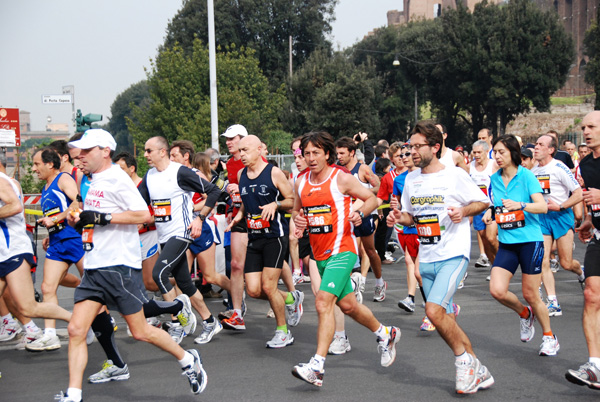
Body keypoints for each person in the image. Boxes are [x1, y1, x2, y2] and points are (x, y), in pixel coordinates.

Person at [57, 129, 206, 402]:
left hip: (118, 267)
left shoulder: (116, 177)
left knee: (141, 332)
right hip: (94, 267)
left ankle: (187, 359)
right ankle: (74, 394)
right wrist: (81, 220)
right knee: (76, 329)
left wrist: (101, 218)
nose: (80, 156)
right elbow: (96, 218)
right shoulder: (91, 180)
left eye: (87, 151)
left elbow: (144, 213)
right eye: (79, 151)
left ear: (105, 151)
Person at [388, 122, 493, 394]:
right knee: (443, 317)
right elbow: (412, 216)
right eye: (409, 146)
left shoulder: (455, 175)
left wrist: (464, 210)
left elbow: (483, 202)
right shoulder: (411, 179)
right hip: (428, 256)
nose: (410, 152)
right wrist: (399, 217)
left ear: (434, 148)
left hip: (453, 254)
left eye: (416, 146)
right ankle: (477, 369)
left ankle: (463, 364)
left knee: (433, 311)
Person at [291, 131, 400, 387]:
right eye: (306, 153)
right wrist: (299, 221)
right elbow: (297, 211)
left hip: (343, 249)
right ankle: (386, 334)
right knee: (349, 306)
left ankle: (317, 366)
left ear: (327, 154)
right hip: (320, 254)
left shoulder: (340, 178)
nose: (311, 158)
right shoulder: (301, 181)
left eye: (316, 152)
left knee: (322, 302)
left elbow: (372, 198)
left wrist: (360, 213)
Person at [138, 136, 222, 344]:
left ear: (162, 151)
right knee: (185, 284)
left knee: (159, 275)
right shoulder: (149, 176)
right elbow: (137, 202)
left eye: (149, 151)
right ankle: (210, 321)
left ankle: (178, 319)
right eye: (145, 151)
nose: (145, 154)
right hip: (164, 236)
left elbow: (213, 191)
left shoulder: (180, 172)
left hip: (181, 233)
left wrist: (200, 219)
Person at [483, 134, 559, 357]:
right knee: (497, 290)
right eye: (495, 152)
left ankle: (549, 337)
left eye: (501, 152)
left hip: (530, 242)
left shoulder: (527, 176)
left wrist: (521, 205)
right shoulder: (495, 178)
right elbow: (498, 205)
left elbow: (542, 206)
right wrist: (491, 212)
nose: (497, 156)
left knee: (531, 294)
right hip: (507, 243)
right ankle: (525, 314)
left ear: (513, 153)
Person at [226, 135, 303, 347]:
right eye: (239, 150)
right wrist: (241, 214)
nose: (241, 154)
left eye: (245, 150)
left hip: (274, 238)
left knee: (269, 287)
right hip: (254, 236)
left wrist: (274, 205)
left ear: (259, 149)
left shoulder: (274, 173)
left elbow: (292, 200)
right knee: (252, 290)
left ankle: (283, 331)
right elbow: (246, 200)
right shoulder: (241, 174)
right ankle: (290, 298)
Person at [26, 148, 85, 351]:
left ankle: (102, 322)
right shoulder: (45, 187)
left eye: (36, 164)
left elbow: (79, 203)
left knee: (94, 284)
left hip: (75, 238)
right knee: (47, 288)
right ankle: (50, 335)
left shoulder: (63, 178)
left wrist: (57, 219)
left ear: (50, 164)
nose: (34, 169)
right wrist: (51, 234)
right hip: (57, 242)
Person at [566, 110, 600, 388]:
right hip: (599, 237)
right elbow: (591, 199)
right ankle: (596, 367)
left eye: (591, 127)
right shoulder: (585, 164)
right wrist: (589, 220)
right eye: (583, 127)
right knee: (590, 295)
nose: (585, 132)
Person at [532, 134, 584, 317]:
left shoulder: (559, 167)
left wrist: (561, 206)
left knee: (566, 263)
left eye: (540, 145)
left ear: (551, 149)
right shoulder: (533, 171)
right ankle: (553, 301)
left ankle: (581, 271)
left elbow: (578, 194)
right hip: (543, 218)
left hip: (561, 215)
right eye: (536, 144)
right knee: (543, 259)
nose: (536, 147)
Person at [335, 136, 386, 302]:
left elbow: (378, 187)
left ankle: (379, 282)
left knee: (369, 251)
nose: (339, 156)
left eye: (342, 153)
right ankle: (354, 286)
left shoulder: (362, 169)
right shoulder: (338, 172)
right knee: (349, 250)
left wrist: (361, 194)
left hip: (364, 214)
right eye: (337, 153)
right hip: (347, 217)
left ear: (351, 153)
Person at [220, 124, 250, 329]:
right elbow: (233, 193)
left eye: (233, 138)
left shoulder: (257, 161)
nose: (229, 142)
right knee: (236, 265)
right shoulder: (230, 164)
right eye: (227, 139)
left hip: (259, 218)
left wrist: (240, 187)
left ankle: (292, 295)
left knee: (267, 276)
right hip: (238, 217)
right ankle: (237, 313)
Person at [469, 140, 498, 271]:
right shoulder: (469, 167)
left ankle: (501, 264)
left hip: (492, 207)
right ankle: (494, 267)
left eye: (479, 152)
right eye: (474, 152)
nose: (476, 155)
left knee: (491, 238)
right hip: (478, 208)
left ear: (487, 152)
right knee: (485, 241)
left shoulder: (494, 165)